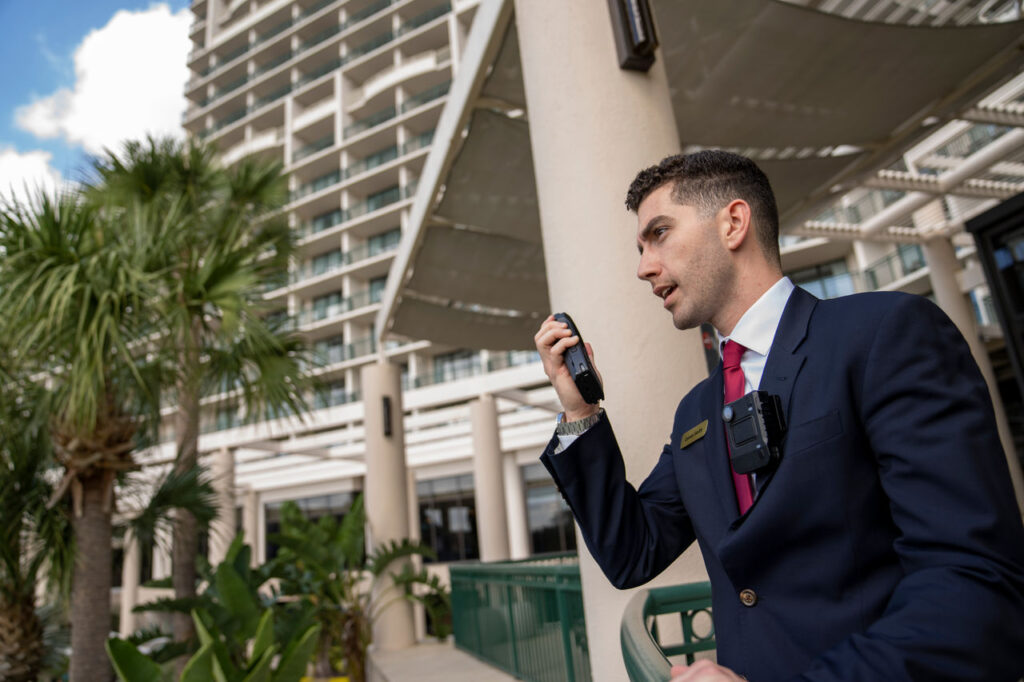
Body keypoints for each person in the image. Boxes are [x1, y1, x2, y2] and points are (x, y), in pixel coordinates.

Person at [534, 150, 1024, 682]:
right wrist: (580, 410)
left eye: (659, 233)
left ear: (733, 223)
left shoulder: (886, 334)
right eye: (640, 247)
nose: (643, 267)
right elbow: (633, 551)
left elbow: (972, 583)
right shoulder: (695, 411)